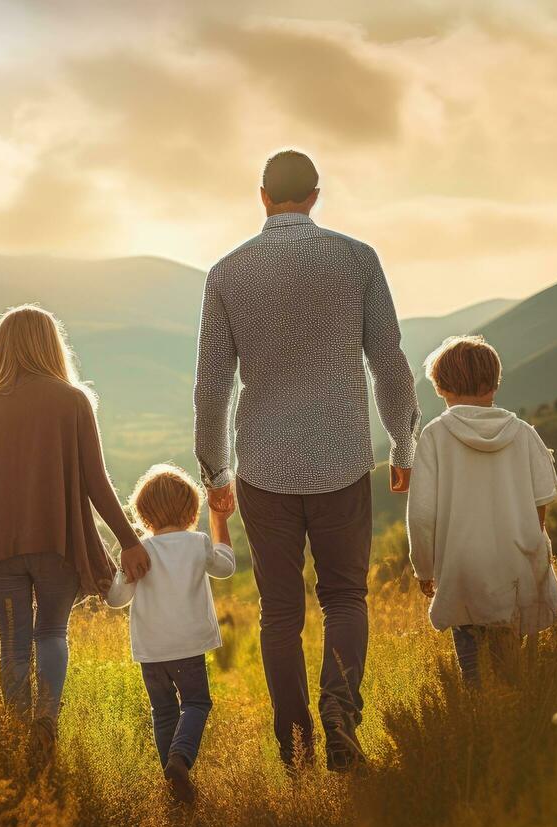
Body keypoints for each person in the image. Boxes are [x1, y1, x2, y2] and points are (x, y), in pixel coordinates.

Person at [194, 149, 420, 772]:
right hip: (344, 459)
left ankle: (295, 746)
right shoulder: (357, 260)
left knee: (280, 613)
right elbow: (390, 361)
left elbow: (212, 383)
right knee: (346, 598)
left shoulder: (227, 272)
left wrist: (213, 471)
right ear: (316, 196)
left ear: (262, 196)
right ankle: (342, 716)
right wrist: (403, 443)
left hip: (263, 466)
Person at [0, 305, 150, 759]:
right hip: (58, 544)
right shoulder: (73, 402)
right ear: (52, 346)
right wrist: (128, 540)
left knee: (12, 642)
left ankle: (16, 734)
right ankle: (46, 724)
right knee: (51, 633)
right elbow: (96, 481)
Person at [405, 335, 557, 688]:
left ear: (441, 387)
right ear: (493, 382)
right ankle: (516, 717)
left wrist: (424, 568)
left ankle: (482, 717)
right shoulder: (523, 434)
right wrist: (531, 550)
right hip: (516, 565)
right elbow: (542, 500)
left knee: (474, 667)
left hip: (463, 569)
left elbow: (420, 515)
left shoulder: (434, 436)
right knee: (511, 661)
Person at [106, 464, 235, 805]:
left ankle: (174, 786)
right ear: (192, 510)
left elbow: (117, 599)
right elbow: (225, 566)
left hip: (152, 652)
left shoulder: (140, 550)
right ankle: (180, 759)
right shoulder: (197, 542)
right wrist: (220, 522)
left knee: (163, 712)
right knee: (195, 702)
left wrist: (117, 571)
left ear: (143, 514)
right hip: (188, 647)